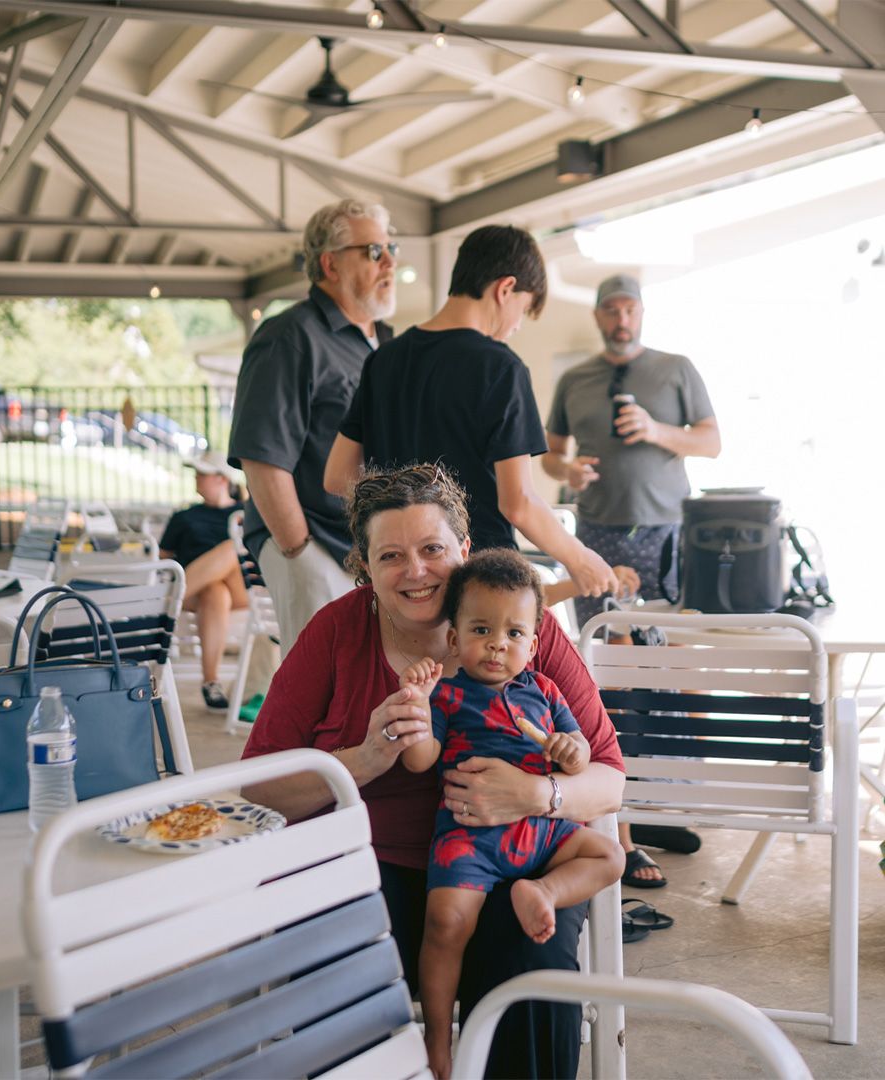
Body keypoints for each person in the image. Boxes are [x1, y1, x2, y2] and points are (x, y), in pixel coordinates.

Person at [240, 464, 625, 1080]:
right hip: (369, 865)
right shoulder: (335, 635)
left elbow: (608, 777)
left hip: (517, 861)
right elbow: (259, 791)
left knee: (533, 962)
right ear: (364, 566)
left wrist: (539, 792)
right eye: (391, 555)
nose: (415, 571)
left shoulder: (524, 626)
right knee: (338, 966)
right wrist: (363, 760)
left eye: (432, 549)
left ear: (464, 551)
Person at [399, 549, 624, 1079]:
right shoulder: (449, 697)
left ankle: (542, 892)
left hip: (541, 833)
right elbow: (419, 760)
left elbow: (581, 752)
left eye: (513, 633)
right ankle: (437, 1038)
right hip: (469, 838)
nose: (498, 643)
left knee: (609, 856)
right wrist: (414, 704)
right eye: (481, 629)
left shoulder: (544, 691)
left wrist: (570, 751)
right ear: (453, 639)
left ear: (533, 644)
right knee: (445, 923)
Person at [324, 223, 618, 603]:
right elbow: (519, 502)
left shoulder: (384, 360)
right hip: (481, 579)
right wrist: (581, 559)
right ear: (505, 289)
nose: (515, 326)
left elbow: (337, 477)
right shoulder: (501, 368)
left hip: (404, 579)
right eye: (523, 310)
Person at [541, 273, 720, 886]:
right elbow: (548, 453)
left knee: (669, 682)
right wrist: (570, 470)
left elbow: (712, 441)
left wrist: (655, 431)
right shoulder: (574, 379)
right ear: (597, 315)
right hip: (599, 537)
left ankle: (657, 808)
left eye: (629, 308)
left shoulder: (677, 369)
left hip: (669, 536)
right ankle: (625, 824)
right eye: (611, 309)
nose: (621, 318)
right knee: (608, 685)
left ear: (641, 312)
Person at [228, 198, 396, 653]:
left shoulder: (385, 342)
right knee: (322, 693)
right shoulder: (289, 337)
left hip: (375, 549)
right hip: (314, 545)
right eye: (374, 251)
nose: (391, 263)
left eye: (391, 248)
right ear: (331, 264)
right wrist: (299, 553)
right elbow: (261, 456)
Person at [159, 450, 246, 709]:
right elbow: (163, 560)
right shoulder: (184, 516)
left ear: (221, 479)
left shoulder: (246, 513)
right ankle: (211, 683)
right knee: (215, 592)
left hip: (243, 587)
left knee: (232, 548)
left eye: (203, 474)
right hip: (199, 595)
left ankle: (161, 603)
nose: (196, 478)